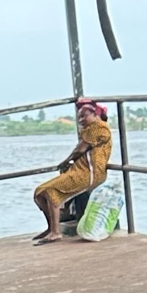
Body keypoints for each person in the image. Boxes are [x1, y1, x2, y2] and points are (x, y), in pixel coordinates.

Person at [33, 100, 114, 242]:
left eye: (84, 116)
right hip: (78, 171)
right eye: (79, 118)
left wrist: (66, 161)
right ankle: (51, 227)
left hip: (89, 173)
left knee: (51, 191)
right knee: (39, 192)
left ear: (95, 114)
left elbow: (80, 149)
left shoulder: (99, 127)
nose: (81, 120)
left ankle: (56, 232)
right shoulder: (89, 129)